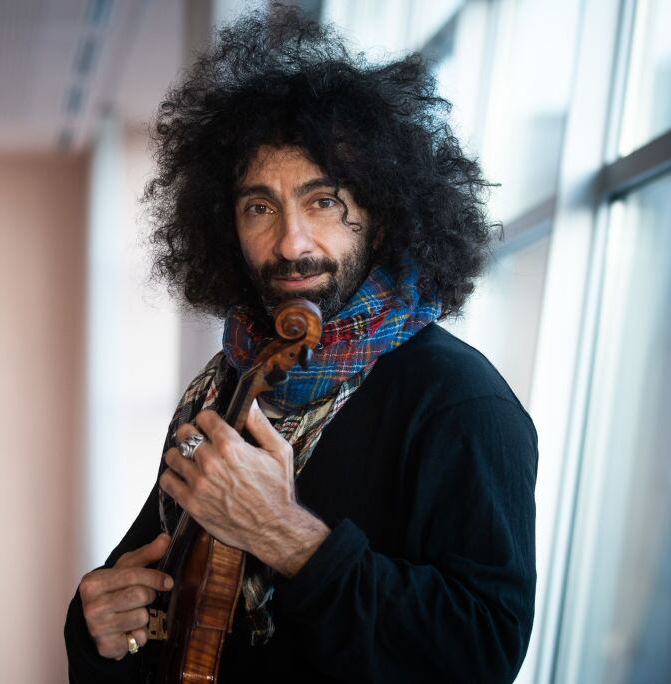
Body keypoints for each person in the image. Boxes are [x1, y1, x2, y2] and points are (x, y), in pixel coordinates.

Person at [64, 7, 537, 683]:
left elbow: (481, 652)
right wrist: (96, 629)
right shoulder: (230, 382)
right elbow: (147, 594)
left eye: (323, 202)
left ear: (382, 210)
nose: (290, 243)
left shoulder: (460, 402)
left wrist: (285, 535)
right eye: (260, 207)